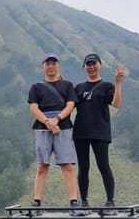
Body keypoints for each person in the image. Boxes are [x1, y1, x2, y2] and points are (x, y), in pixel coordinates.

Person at [27, 53, 80, 213]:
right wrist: (48, 123)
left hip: (63, 127)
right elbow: (34, 108)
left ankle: (74, 202)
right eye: (48, 63)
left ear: (58, 66)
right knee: (42, 165)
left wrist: (56, 119)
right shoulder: (35, 87)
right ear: (43, 67)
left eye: (54, 63)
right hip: (42, 128)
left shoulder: (67, 85)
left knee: (67, 165)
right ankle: (37, 202)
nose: (51, 66)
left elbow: (71, 105)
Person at [73, 53, 125, 215]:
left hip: (100, 131)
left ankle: (110, 201)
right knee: (83, 167)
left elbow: (116, 104)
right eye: (88, 64)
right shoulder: (79, 88)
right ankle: (84, 202)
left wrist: (118, 83)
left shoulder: (107, 86)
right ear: (84, 67)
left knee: (103, 166)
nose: (91, 67)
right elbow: (69, 105)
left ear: (100, 65)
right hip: (81, 132)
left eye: (94, 64)